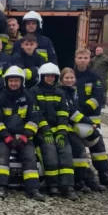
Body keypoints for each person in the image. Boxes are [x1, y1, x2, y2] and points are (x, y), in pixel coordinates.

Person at [0, 66, 45, 201]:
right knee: (2, 157)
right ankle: (1, 187)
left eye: (16, 81)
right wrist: (6, 137)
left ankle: (33, 189)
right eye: (11, 81)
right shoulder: (0, 98)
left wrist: (25, 136)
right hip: (5, 136)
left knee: (29, 158)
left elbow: (34, 119)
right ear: (6, 82)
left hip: (24, 136)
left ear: (22, 82)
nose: (14, 83)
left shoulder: (29, 97)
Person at [73, 48, 108, 187]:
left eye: (85, 58)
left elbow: (97, 97)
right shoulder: (70, 76)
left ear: (89, 60)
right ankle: (84, 177)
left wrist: (81, 111)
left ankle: (104, 175)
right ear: (75, 59)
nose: (82, 60)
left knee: (98, 148)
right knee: (77, 147)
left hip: (91, 119)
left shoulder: (95, 77)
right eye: (80, 58)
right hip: (74, 119)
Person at [32, 63, 79, 200]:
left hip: (58, 131)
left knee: (66, 152)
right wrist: (46, 130)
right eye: (47, 75)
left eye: (53, 75)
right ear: (41, 76)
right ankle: (52, 186)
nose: (50, 78)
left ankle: (68, 187)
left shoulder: (60, 92)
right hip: (42, 132)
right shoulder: (34, 91)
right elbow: (36, 113)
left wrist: (62, 133)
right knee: (50, 153)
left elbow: (63, 114)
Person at [60, 67, 108, 193]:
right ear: (61, 79)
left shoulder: (72, 91)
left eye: (71, 78)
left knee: (95, 145)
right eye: (66, 78)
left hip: (75, 125)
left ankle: (91, 179)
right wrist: (88, 122)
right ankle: (80, 181)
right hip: (66, 126)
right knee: (79, 150)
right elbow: (72, 112)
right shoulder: (62, 92)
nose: (69, 80)